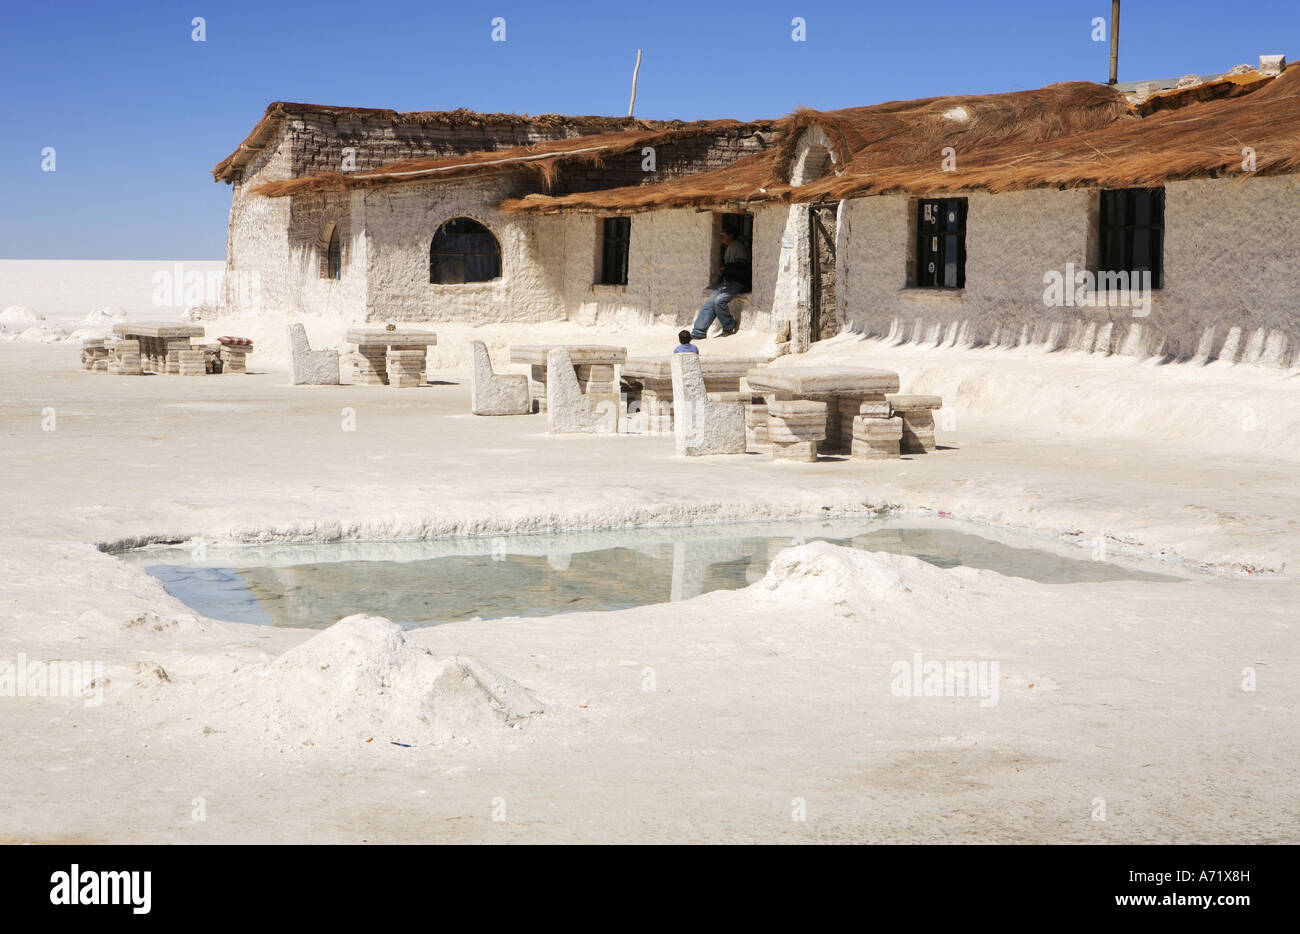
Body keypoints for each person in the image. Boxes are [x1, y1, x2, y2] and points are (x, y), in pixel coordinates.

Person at [691, 227, 750, 339]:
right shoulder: (730, 247)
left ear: (731, 235)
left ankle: (729, 325)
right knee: (710, 302)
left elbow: (742, 268)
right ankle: (699, 331)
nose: (721, 236)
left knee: (719, 301)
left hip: (737, 283)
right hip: (727, 283)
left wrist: (725, 268)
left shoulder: (738, 247)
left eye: (724, 233)